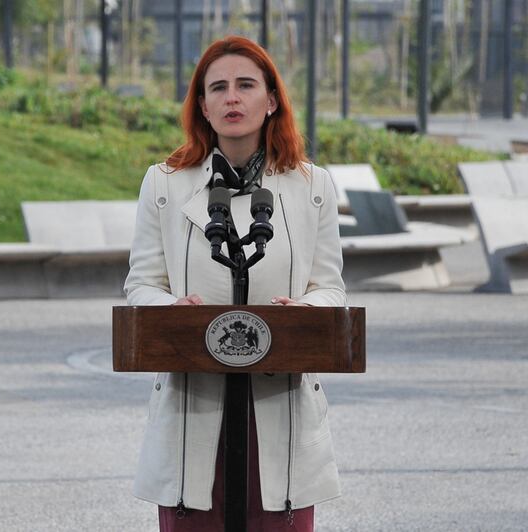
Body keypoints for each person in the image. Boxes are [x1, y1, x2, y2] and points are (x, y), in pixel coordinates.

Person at [124, 35, 346, 531]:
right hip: (193, 404)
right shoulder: (163, 184)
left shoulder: (313, 188)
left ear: (271, 101)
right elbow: (140, 286)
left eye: (246, 85)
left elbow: (330, 289)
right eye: (218, 87)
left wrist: (303, 314)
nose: (232, 98)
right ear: (201, 105)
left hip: (280, 406)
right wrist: (171, 309)